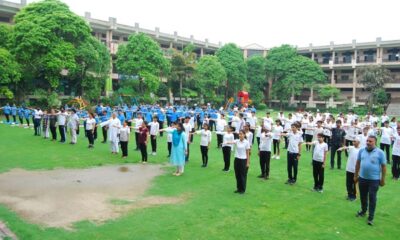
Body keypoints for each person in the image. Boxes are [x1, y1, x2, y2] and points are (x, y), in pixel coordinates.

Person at [354, 136, 387, 226]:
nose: (368, 142)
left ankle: (371, 217)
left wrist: (383, 179)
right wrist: (356, 175)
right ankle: (363, 211)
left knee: (372, 198)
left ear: (375, 142)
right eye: (367, 141)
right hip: (362, 178)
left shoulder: (380, 153)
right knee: (363, 196)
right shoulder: (361, 151)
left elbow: (384, 167)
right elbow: (358, 163)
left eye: (370, 141)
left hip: (374, 180)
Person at [338, 136, 361, 201]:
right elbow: (346, 147)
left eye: (355, 141)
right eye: (353, 141)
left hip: (355, 170)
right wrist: (341, 148)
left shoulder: (361, 150)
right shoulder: (351, 148)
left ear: (358, 142)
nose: (353, 142)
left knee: (354, 183)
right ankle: (349, 194)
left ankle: (353, 196)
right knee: (348, 183)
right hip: (349, 168)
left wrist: (359, 170)